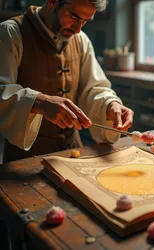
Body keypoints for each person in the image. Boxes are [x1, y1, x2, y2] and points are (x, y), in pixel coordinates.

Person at [0, 0, 134, 162]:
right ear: (53, 1)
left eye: (85, 21)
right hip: (25, 159)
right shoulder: (11, 33)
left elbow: (94, 88)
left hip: (73, 151)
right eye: (74, 17)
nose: (78, 29)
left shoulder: (81, 40)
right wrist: (38, 102)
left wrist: (110, 104)